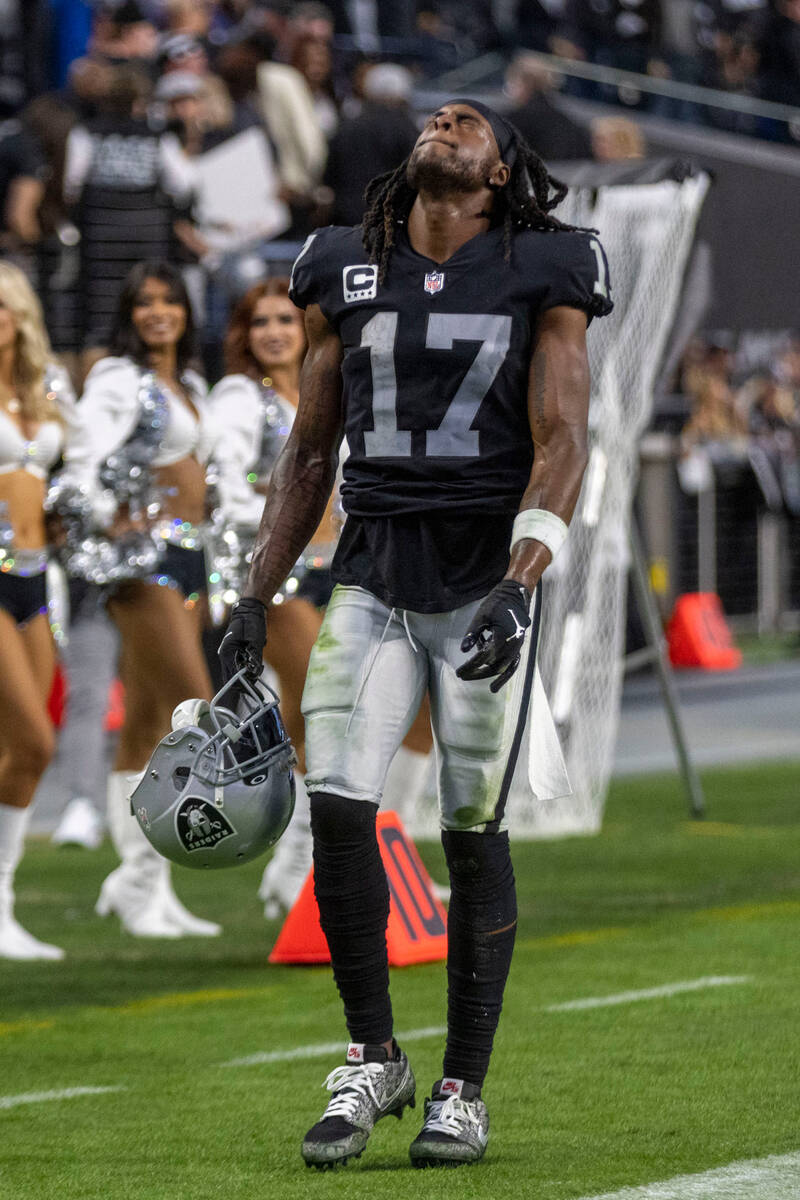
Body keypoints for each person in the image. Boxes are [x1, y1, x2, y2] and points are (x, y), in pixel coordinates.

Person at [219, 99, 612, 1167]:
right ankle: (372, 1056)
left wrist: (522, 579)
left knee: (469, 825)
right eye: (436, 115)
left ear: (499, 169)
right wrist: (254, 592)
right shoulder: (342, 260)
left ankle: (461, 1087)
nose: (445, 119)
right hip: (372, 572)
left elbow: (563, 434)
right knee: (339, 810)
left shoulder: (547, 262)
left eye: (469, 119)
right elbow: (309, 449)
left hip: (482, 575)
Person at [59, 260, 223, 938]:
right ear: (128, 315)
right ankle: (134, 881)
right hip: (142, 562)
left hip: (189, 557)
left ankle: (144, 886)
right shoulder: (116, 379)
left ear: (186, 311)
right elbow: (82, 458)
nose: (158, 312)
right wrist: (107, 516)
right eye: (144, 303)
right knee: (195, 705)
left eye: (169, 301)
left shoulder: (186, 381)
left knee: (151, 722)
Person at [209, 278, 333, 916]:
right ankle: (295, 871)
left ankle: (343, 858)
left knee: (337, 715)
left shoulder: (325, 385)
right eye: (260, 322)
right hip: (280, 576)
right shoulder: (240, 396)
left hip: (339, 568)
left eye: (287, 318)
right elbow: (222, 480)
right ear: (244, 335)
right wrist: (274, 518)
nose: (276, 332)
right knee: (322, 710)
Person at [0, 262, 75, 960]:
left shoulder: (43, 391)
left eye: (3, 307)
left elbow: (73, 472)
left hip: (35, 574)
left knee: (28, 745)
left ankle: (4, 902)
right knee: (36, 740)